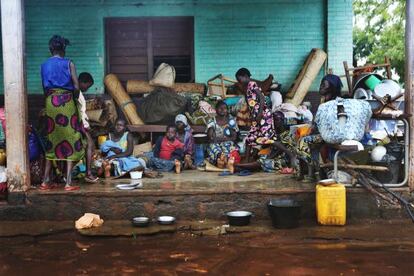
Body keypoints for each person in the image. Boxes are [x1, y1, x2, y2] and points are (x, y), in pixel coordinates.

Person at [40, 35, 84, 191]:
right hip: (66, 102)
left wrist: (51, 101)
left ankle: (45, 181)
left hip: (50, 103)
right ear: (63, 49)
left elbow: (45, 89)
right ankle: (69, 183)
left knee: (52, 139)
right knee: (71, 138)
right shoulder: (69, 63)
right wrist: (75, 100)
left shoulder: (44, 65)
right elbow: (77, 87)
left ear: (51, 49)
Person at [235, 68, 277, 160]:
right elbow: (250, 103)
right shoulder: (246, 88)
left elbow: (261, 98)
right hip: (256, 116)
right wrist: (252, 116)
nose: (239, 82)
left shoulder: (252, 84)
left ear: (245, 76)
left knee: (267, 138)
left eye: (239, 79)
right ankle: (246, 160)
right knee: (250, 138)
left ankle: (290, 154)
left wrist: (259, 114)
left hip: (264, 115)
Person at [206, 101, 240, 173]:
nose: (222, 110)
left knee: (231, 149)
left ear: (227, 110)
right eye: (220, 108)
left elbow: (234, 137)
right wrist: (226, 138)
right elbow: (211, 138)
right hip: (216, 144)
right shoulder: (212, 120)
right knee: (213, 147)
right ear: (216, 109)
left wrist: (219, 139)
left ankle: (222, 161)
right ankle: (222, 158)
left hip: (228, 143)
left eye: (225, 108)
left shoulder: (231, 120)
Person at [77, 72, 99, 183]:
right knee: (90, 144)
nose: (88, 88)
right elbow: (79, 113)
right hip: (79, 125)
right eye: (88, 86)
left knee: (90, 145)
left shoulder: (78, 92)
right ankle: (88, 173)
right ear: (82, 82)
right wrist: (85, 126)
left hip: (81, 124)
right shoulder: (77, 93)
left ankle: (88, 171)